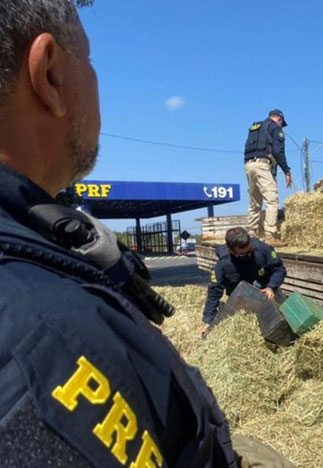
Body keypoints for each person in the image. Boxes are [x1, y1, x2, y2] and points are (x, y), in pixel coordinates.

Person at [0, 1, 292, 466]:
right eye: (91, 60)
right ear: (50, 75)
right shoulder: (45, 335)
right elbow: (215, 293)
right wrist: (206, 323)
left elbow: (276, 270)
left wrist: (272, 290)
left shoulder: (49, 247)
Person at [199, 227, 287, 339]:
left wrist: (271, 287)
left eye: (250, 250)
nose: (249, 254)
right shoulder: (223, 264)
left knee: (283, 322)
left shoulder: (262, 249)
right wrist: (208, 321)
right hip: (241, 302)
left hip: (267, 293)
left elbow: (279, 269)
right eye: (243, 254)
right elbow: (214, 292)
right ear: (231, 251)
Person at [244, 109, 292, 248]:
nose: (281, 126)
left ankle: (251, 234)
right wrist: (286, 171)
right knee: (272, 199)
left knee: (254, 202)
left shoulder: (255, 127)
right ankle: (270, 235)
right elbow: (278, 151)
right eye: (282, 123)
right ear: (279, 119)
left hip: (249, 165)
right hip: (263, 166)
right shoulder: (275, 127)